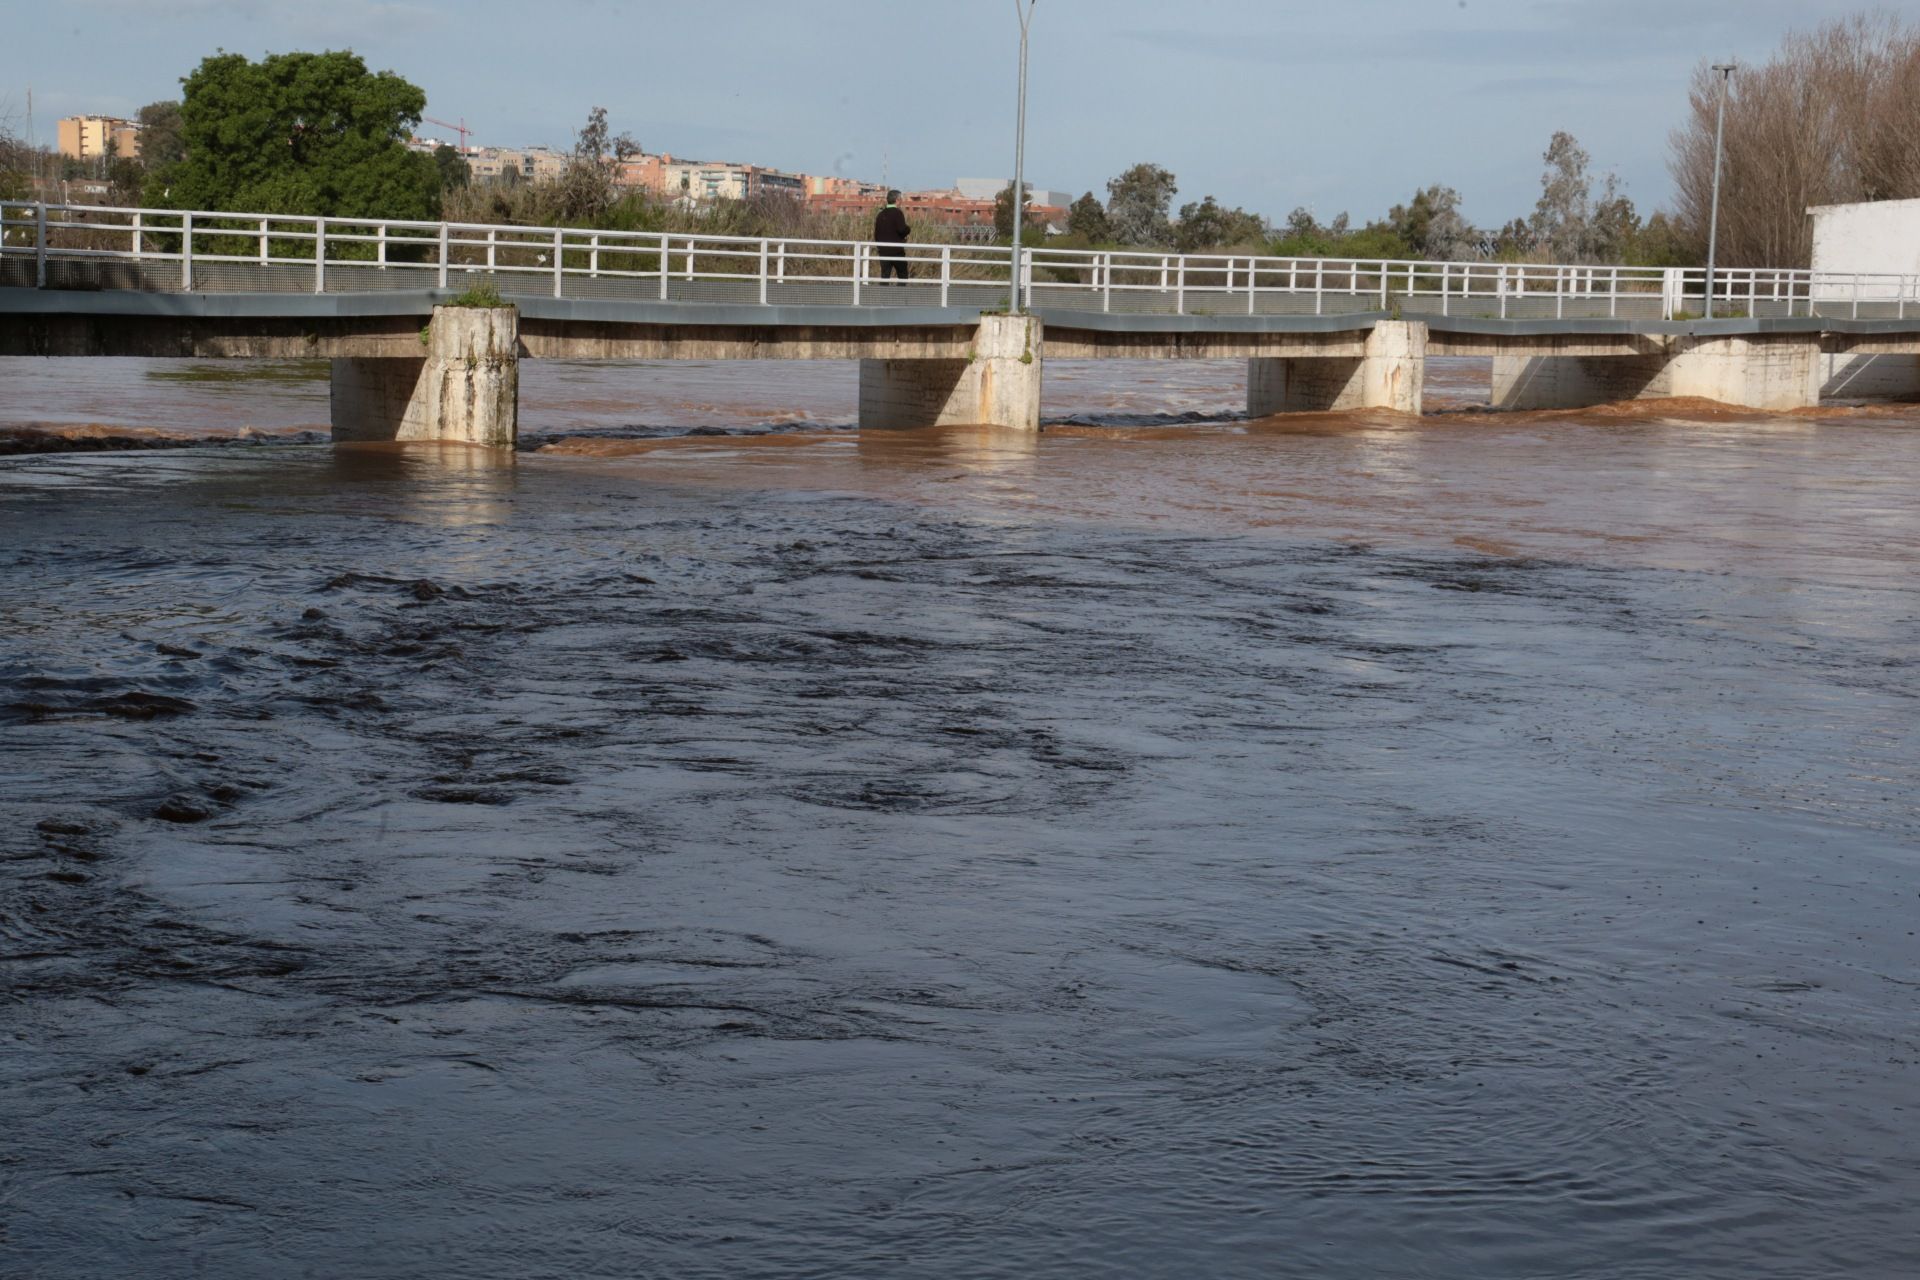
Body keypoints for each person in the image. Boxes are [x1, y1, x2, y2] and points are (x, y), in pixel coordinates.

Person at [873, 191, 910, 284]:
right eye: (901, 199)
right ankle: (899, 297)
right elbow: (902, 230)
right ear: (897, 200)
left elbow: (876, 234)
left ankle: (884, 298)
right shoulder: (898, 213)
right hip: (896, 251)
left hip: (883, 251)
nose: (901, 201)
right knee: (903, 275)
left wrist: (880, 247)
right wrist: (908, 229)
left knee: (885, 276)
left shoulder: (880, 214)